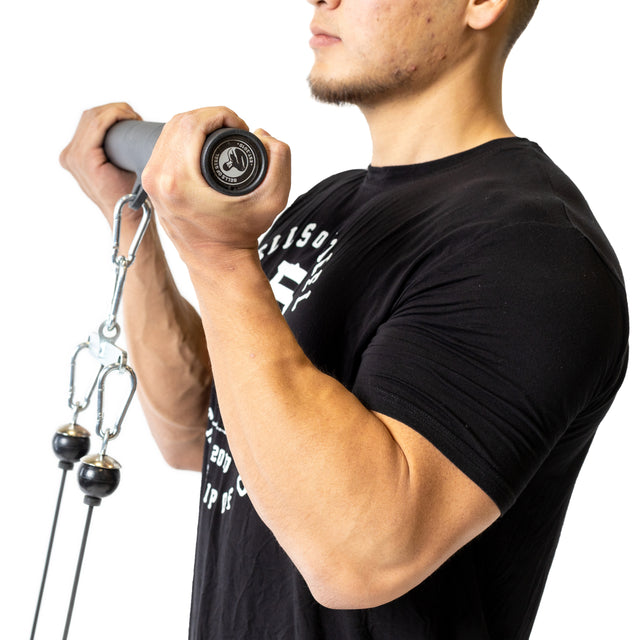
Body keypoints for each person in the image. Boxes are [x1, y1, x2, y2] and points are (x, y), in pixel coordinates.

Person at [59, 0, 629, 638]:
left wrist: (219, 255)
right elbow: (200, 433)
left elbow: (358, 558)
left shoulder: (531, 247)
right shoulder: (332, 206)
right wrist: (133, 222)